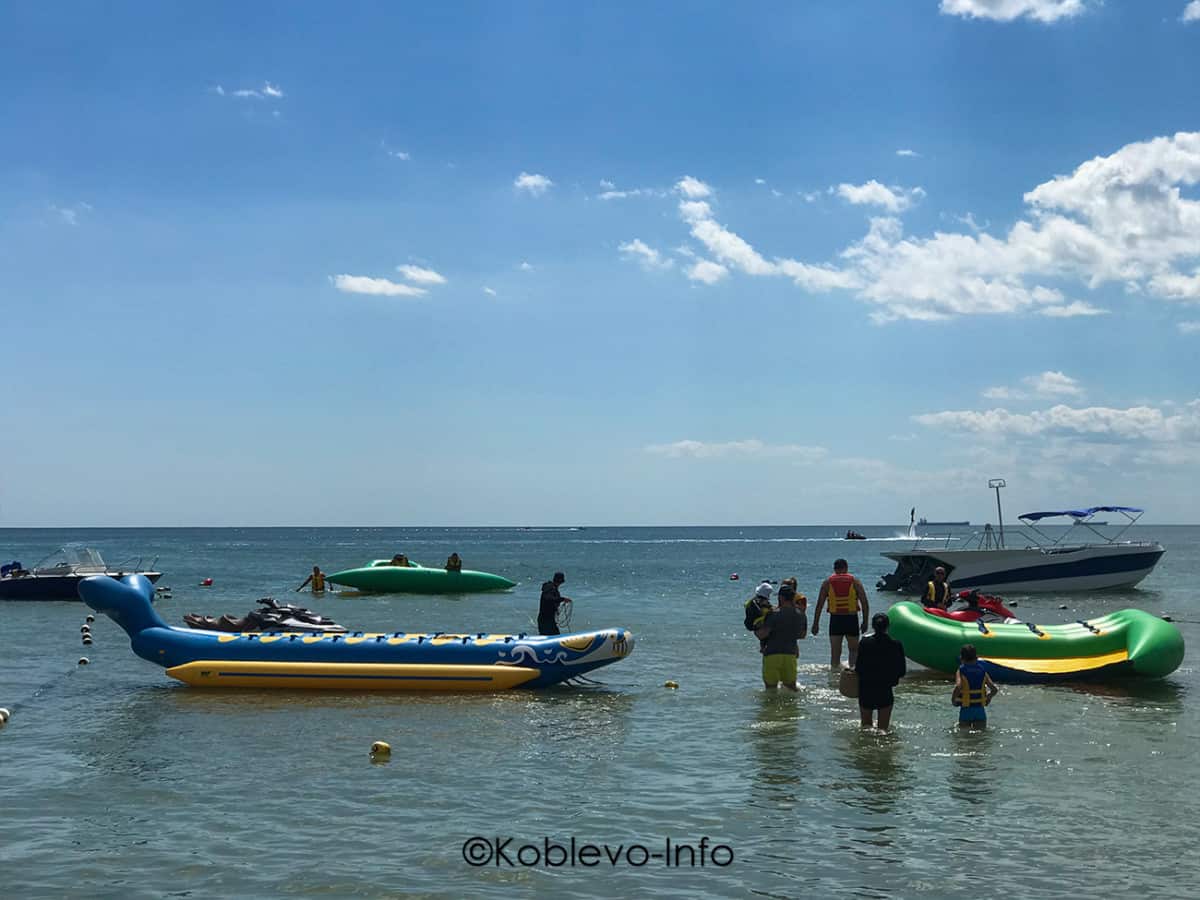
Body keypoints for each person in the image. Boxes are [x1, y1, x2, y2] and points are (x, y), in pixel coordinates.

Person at [812, 558, 870, 669]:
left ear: (834, 569)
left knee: (835, 653)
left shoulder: (827, 583)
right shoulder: (855, 582)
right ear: (846, 568)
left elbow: (819, 605)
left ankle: (834, 677)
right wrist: (865, 622)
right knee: (853, 651)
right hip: (851, 619)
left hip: (835, 620)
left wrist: (816, 624)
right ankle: (852, 673)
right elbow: (864, 603)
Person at [854, 613, 907, 730]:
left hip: (866, 689)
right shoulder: (896, 645)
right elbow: (902, 671)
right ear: (888, 626)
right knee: (883, 730)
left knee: (866, 728)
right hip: (885, 689)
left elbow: (858, 668)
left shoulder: (864, 643)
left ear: (873, 626)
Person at [755, 583, 808, 691]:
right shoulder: (801, 614)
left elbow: (763, 634)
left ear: (781, 598)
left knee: (771, 690)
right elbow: (802, 635)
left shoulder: (773, 614)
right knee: (791, 688)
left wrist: (755, 629)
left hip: (772, 654)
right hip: (790, 655)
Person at [953, 644, 998, 729]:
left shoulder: (961, 670)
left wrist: (953, 700)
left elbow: (958, 686)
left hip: (966, 711)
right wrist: (988, 698)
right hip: (980, 711)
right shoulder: (982, 671)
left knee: (964, 735)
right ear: (976, 657)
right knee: (981, 734)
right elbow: (994, 690)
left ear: (962, 658)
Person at [538, 571, 572, 636]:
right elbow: (548, 598)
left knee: (550, 636)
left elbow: (551, 600)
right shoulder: (550, 588)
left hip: (548, 619)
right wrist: (562, 599)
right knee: (555, 635)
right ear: (560, 581)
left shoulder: (552, 588)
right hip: (546, 620)